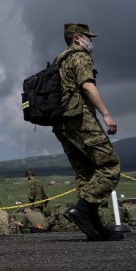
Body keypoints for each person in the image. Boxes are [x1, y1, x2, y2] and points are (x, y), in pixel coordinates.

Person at [50, 23, 122, 242]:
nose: (91, 42)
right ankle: (81, 211)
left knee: (87, 173)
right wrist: (106, 114)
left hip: (61, 122)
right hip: (80, 118)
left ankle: (94, 227)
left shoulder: (59, 60)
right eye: (88, 37)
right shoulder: (79, 57)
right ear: (77, 38)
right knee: (109, 167)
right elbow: (88, 86)